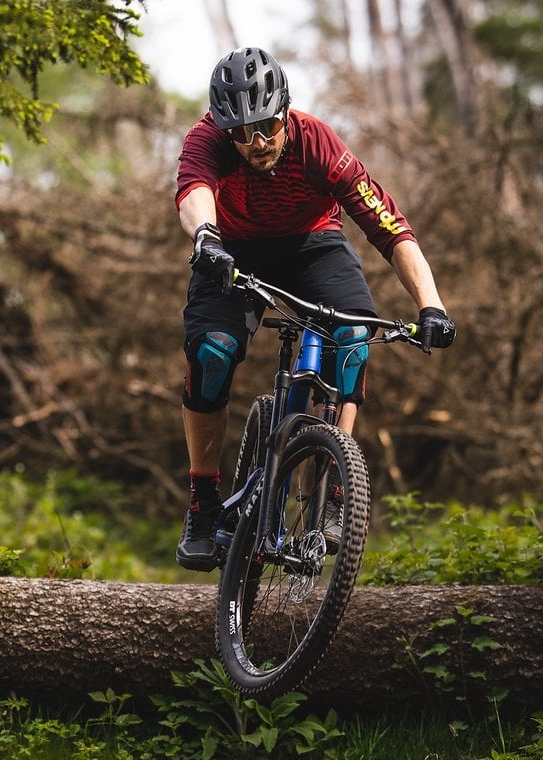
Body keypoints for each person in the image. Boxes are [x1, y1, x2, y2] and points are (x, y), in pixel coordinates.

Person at [175, 47, 455, 571]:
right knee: (212, 353)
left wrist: (431, 305)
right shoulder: (207, 138)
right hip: (231, 246)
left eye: (267, 126)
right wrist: (207, 238)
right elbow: (194, 192)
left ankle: (332, 488)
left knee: (351, 339)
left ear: (286, 110)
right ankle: (203, 503)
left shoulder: (318, 143)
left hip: (312, 243)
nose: (256, 143)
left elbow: (389, 227)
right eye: (242, 131)